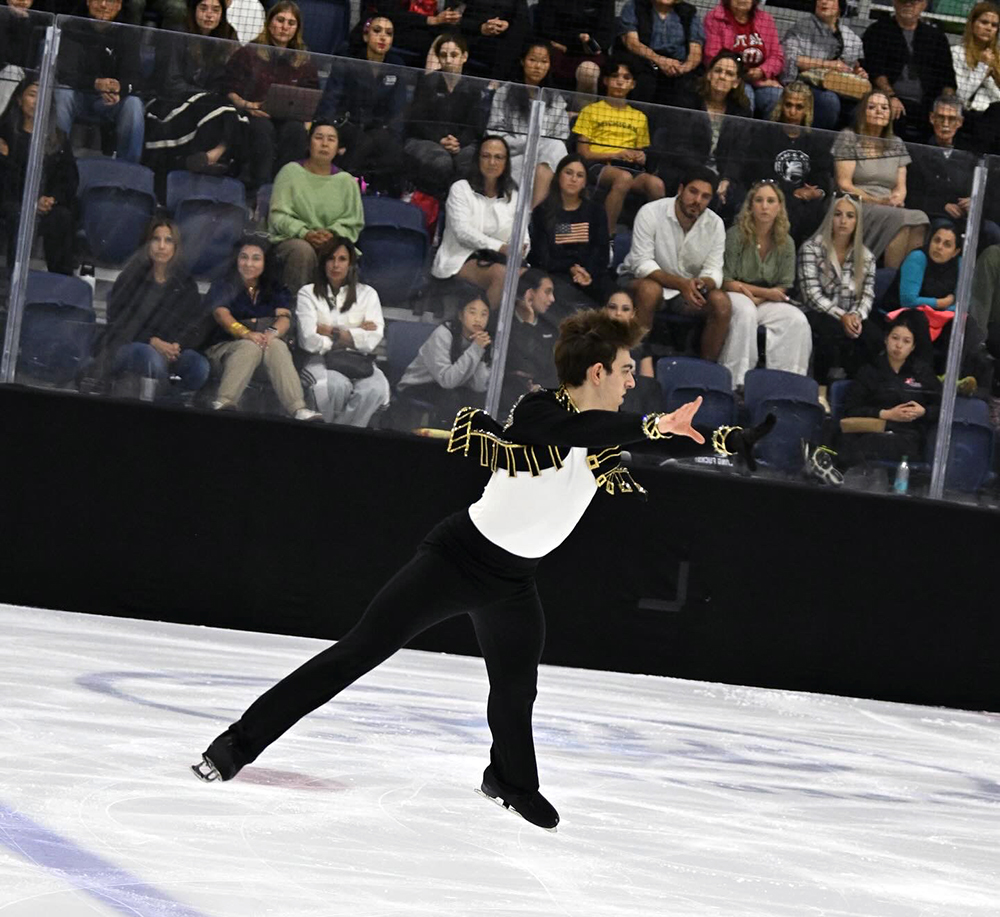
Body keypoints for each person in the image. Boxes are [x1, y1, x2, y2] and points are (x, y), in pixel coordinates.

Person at [191, 307, 775, 832]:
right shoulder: (541, 410)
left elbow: (619, 439)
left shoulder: (601, 435)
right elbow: (585, 431)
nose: (632, 381)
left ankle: (510, 780)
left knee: (517, 688)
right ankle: (236, 745)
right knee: (358, 651)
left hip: (513, 583)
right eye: (625, 370)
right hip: (457, 559)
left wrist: (725, 437)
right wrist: (653, 425)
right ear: (596, 372)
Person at [619, 167, 731, 372]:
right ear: (680, 189)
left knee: (721, 303)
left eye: (705, 196)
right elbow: (641, 263)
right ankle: (632, 363)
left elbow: (715, 270)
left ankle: (705, 373)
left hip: (685, 292)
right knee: (650, 290)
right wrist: (681, 284)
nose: (698, 200)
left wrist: (703, 283)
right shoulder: (651, 212)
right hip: (638, 281)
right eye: (693, 192)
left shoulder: (715, 224)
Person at [203, 234, 323, 419]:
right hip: (224, 350)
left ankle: (298, 409)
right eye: (244, 257)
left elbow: (284, 317)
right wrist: (246, 333)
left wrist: (272, 333)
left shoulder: (274, 288)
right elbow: (221, 314)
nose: (249, 264)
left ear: (266, 262)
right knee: (250, 346)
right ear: (236, 259)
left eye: (256, 258)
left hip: (264, 353)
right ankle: (224, 402)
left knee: (276, 344)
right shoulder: (224, 284)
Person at [96, 218, 210, 399]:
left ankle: (172, 400)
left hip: (171, 351)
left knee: (199, 367)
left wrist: (177, 345)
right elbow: (118, 322)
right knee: (152, 358)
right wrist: (153, 342)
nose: (162, 246)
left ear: (176, 247)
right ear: (148, 243)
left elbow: (195, 326)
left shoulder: (186, 284)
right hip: (129, 346)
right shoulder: (131, 277)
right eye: (156, 239)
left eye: (168, 240)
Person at [716, 180, 812, 389]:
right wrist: (763, 294)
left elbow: (784, 284)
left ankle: (787, 382)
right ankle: (737, 381)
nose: (765, 206)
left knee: (796, 319)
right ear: (750, 206)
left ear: (779, 207)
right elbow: (727, 280)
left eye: (770, 201)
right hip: (736, 294)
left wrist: (763, 297)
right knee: (746, 311)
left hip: (764, 300)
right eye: (759, 201)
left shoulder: (786, 242)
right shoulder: (735, 235)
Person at [144, 0, 244, 194]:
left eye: (216, 10)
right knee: (222, 110)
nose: (209, 15)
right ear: (193, 9)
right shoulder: (177, 32)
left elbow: (228, 81)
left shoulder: (227, 37)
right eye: (203, 8)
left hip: (208, 106)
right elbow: (171, 83)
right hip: (170, 102)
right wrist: (206, 98)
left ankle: (208, 157)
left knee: (240, 114)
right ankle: (215, 155)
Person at [881, 219, 993, 392]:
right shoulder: (917, 258)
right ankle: (924, 380)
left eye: (947, 244)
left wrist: (944, 312)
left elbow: (963, 302)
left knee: (967, 324)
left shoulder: (960, 264)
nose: (939, 247)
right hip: (902, 315)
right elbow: (908, 300)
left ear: (955, 251)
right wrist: (940, 303)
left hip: (937, 317)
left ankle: (954, 377)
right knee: (919, 319)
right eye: (936, 240)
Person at [224, 0, 319, 193]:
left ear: (297, 29)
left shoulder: (304, 60)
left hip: (289, 119)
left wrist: (307, 123)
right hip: (254, 115)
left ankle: (285, 191)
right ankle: (260, 190)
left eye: (291, 23)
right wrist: (248, 105)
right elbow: (229, 88)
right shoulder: (249, 52)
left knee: (296, 132)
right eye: (280, 20)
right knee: (262, 129)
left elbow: (312, 96)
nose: (285, 27)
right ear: (269, 23)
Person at [295, 237, 390, 428]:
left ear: (351, 264)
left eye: (342, 259)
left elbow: (372, 340)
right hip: (319, 359)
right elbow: (309, 340)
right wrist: (354, 334)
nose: (336, 265)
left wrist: (330, 331)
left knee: (376, 390)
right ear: (323, 263)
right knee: (335, 386)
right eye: (331, 259)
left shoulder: (367, 294)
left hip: (360, 361)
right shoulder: (308, 293)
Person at [798, 193, 879, 407]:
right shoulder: (811, 249)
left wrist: (856, 316)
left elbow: (868, 294)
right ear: (829, 218)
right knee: (829, 330)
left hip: (850, 314)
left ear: (857, 221)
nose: (843, 221)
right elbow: (811, 295)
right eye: (838, 214)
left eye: (850, 216)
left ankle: (858, 396)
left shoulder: (867, 257)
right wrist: (842, 316)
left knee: (872, 336)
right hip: (818, 312)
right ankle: (821, 393)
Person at [831, 90, 928, 268]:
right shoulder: (849, 137)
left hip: (887, 205)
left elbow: (901, 187)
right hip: (856, 202)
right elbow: (844, 184)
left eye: (884, 107)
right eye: (872, 107)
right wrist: (878, 201)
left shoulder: (897, 143)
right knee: (900, 220)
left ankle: (903, 279)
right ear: (862, 112)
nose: (879, 111)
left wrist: (896, 199)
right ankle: (890, 277)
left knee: (919, 218)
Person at [430, 135, 529, 309]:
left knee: (533, 279)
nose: (492, 162)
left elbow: (523, 235)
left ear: (506, 163)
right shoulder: (461, 189)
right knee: (502, 275)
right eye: (486, 156)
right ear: (478, 159)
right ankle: (486, 331)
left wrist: (520, 247)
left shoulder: (514, 196)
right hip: (461, 257)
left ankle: (522, 332)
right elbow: (463, 233)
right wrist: (501, 247)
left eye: (498, 157)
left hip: (501, 259)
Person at [268, 120, 364, 295]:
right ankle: (295, 311)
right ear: (309, 142)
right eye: (319, 138)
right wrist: (305, 233)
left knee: (339, 255)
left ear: (338, 148)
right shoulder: (290, 173)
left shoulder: (347, 182)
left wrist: (331, 234)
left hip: (333, 241)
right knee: (303, 251)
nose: (325, 144)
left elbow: (353, 222)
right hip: (292, 241)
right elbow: (278, 216)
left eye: (331, 139)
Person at [572, 58, 665, 234]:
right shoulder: (591, 110)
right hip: (600, 165)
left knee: (656, 184)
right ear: (606, 80)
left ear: (633, 84)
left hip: (630, 167)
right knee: (623, 178)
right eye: (615, 76)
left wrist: (640, 156)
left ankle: (653, 237)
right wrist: (614, 155)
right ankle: (608, 237)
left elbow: (641, 151)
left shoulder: (640, 117)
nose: (620, 81)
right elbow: (583, 152)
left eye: (626, 78)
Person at [316, 14, 407, 193]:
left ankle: (383, 198)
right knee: (364, 141)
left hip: (378, 131)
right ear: (365, 36)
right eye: (377, 31)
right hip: (347, 126)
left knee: (392, 149)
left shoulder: (396, 65)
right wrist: (328, 131)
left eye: (388, 34)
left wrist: (394, 139)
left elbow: (398, 111)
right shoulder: (349, 60)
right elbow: (331, 100)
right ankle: (339, 189)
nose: (383, 37)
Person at [655, 51, 748, 225]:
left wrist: (726, 179)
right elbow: (678, 146)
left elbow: (739, 154)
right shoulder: (688, 101)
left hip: (721, 175)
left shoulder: (741, 112)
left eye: (729, 74)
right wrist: (706, 177)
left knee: (738, 198)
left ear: (736, 82)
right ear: (709, 74)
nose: (722, 77)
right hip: (686, 169)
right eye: (718, 71)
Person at [839, 312, 941, 469]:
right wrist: (885, 414)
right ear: (886, 339)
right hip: (873, 432)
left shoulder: (922, 373)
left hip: (908, 437)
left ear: (913, 347)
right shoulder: (869, 371)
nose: (899, 345)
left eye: (906, 341)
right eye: (895, 338)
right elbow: (851, 410)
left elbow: (942, 408)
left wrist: (923, 412)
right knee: (860, 443)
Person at [0, 75, 77, 277]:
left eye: (43, 96)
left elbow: (68, 178)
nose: (37, 102)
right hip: (11, 201)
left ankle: (59, 285)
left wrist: (51, 199)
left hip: (45, 204)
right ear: (19, 99)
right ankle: (13, 281)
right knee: (18, 215)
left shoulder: (58, 137)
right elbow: (6, 181)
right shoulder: (4, 133)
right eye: (32, 95)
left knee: (62, 217)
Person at [740, 81, 833, 245]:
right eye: (788, 105)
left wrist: (816, 191)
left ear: (807, 110)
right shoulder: (765, 134)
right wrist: (793, 192)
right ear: (781, 105)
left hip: (805, 203)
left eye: (799, 107)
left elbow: (822, 174)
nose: (792, 112)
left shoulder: (816, 140)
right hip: (772, 197)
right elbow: (758, 172)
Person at [53, 0, 144, 163]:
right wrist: (96, 84)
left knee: (133, 104)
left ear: (119, 5)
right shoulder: (73, 26)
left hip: (109, 101)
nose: (103, 5)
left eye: (110, 1)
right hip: (78, 95)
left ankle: (128, 169)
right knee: (62, 94)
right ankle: (56, 158)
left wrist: (119, 88)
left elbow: (134, 77)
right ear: (88, 2)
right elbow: (65, 73)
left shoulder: (129, 33)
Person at [906, 95, 1000, 250]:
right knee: (945, 229)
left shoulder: (972, 154)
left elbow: (987, 191)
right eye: (941, 118)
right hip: (935, 215)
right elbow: (912, 195)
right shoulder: (918, 151)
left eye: (951, 119)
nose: (945, 124)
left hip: (968, 218)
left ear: (960, 122)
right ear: (932, 118)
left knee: (993, 231)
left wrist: (975, 201)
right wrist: (942, 206)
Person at [486, 40, 570, 209]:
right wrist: (526, 143)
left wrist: (537, 145)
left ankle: (533, 212)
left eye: (544, 62)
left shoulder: (556, 100)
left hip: (544, 158)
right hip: (513, 156)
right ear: (523, 61)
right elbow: (494, 132)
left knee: (557, 147)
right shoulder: (505, 93)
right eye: (533, 60)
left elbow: (561, 136)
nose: (538, 66)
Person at [861, 0, 956, 143]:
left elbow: (947, 78)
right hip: (890, 100)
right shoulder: (878, 30)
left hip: (928, 105)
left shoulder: (936, 37)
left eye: (914, 1)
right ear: (894, 2)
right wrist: (890, 97)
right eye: (904, 0)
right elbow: (876, 70)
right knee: (891, 115)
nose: (908, 4)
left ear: (924, 4)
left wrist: (946, 106)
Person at [403, 33, 482, 197]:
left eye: (454, 55)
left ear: (464, 57)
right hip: (426, 139)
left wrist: (458, 143)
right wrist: (440, 139)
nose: (448, 60)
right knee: (441, 162)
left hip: (461, 143)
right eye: (444, 55)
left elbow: (475, 125)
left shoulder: (474, 88)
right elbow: (417, 121)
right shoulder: (426, 82)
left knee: (467, 162)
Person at [528, 153, 610, 309]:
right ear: (558, 176)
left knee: (614, 296)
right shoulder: (542, 212)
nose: (573, 179)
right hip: (555, 274)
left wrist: (585, 272)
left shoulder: (596, 211)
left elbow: (601, 252)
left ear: (585, 182)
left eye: (579, 175)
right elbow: (539, 256)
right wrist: (570, 268)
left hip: (589, 274)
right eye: (568, 173)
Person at [396, 294, 492, 425]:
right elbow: (446, 381)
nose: (478, 319)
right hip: (419, 384)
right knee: (451, 400)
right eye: (472, 312)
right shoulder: (443, 334)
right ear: (460, 315)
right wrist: (475, 349)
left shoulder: (480, 342)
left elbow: (478, 386)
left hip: (453, 387)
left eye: (484, 314)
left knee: (480, 402)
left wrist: (481, 352)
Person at [780, 0, 868, 131]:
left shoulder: (851, 38)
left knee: (863, 105)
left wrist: (859, 73)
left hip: (841, 87)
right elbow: (791, 59)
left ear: (840, 6)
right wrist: (828, 65)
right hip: (806, 84)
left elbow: (853, 66)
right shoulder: (801, 28)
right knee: (829, 100)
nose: (823, 2)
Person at [702, 0, 783, 117]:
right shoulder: (715, 18)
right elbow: (712, 56)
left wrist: (762, 71)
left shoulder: (766, 20)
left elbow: (777, 57)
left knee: (776, 97)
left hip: (762, 77)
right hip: (731, 77)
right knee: (745, 97)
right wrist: (744, 74)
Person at [616, 0, 705, 105]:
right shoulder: (634, 6)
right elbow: (632, 43)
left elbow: (696, 51)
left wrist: (683, 68)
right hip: (645, 63)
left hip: (678, 67)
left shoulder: (689, 12)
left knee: (686, 90)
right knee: (644, 82)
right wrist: (659, 60)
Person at [500, 269, 559, 412]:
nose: (552, 299)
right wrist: (528, 323)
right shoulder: (502, 321)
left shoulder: (550, 328)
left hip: (538, 397)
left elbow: (547, 366)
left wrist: (540, 385)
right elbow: (516, 360)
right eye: (547, 292)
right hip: (505, 396)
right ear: (530, 293)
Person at [533, 0, 615, 95]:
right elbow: (545, 30)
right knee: (539, 60)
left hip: (588, 53)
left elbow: (604, 40)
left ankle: (583, 109)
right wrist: (578, 39)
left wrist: (569, 47)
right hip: (556, 50)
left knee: (588, 71)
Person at [951, 1, 1000, 154]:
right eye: (984, 22)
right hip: (968, 114)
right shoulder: (956, 53)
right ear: (972, 24)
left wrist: (994, 73)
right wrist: (983, 68)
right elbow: (961, 95)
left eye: (994, 25)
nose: (989, 28)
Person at [603, 288, 663, 413]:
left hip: (632, 402)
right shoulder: (591, 341)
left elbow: (647, 384)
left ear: (633, 313)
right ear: (604, 310)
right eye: (612, 307)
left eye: (625, 309)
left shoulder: (641, 344)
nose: (618, 313)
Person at [362, 0, 464, 60]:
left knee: (452, 37)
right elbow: (389, 11)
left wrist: (450, 16)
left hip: (426, 26)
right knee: (438, 44)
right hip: (392, 25)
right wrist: (430, 20)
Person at [460, 0, 530, 78]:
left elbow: (523, 22)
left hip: (504, 51)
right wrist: (480, 27)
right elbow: (459, 19)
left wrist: (507, 25)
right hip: (472, 47)